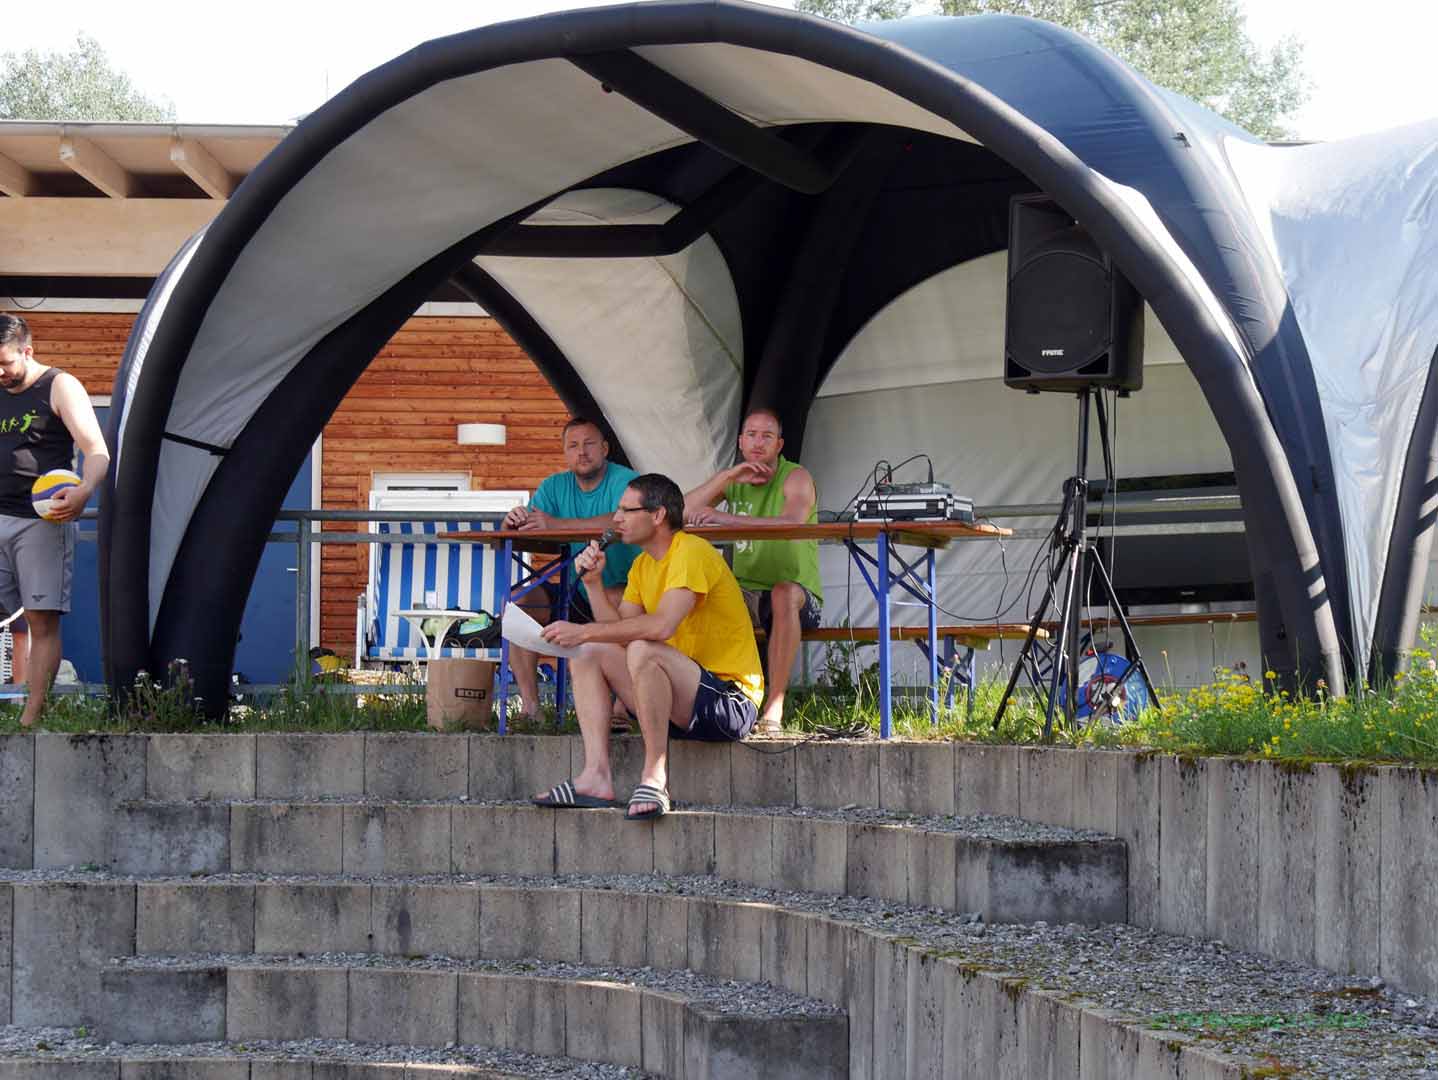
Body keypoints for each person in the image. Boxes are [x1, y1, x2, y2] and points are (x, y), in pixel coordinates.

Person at [532, 473, 762, 820]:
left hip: (730, 703)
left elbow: (661, 626)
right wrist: (593, 585)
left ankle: (655, 777)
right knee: (589, 652)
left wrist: (584, 630)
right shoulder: (642, 565)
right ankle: (595, 777)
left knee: (640, 648)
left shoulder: (691, 551)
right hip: (678, 701)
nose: (617, 519)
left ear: (657, 515)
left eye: (627, 510)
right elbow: (618, 634)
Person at [0, 315, 109, 727]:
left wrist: (85, 490)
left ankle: (30, 720)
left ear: (27, 351)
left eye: (5, 363)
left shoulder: (60, 386)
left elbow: (96, 450)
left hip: (42, 521)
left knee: (40, 619)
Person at [684, 407, 821, 734]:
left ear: (779, 445)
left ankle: (775, 705)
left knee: (783, 593)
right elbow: (680, 512)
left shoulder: (796, 476)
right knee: (691, 594)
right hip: (745, 594)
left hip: (798, 597)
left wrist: (724, 518)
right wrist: (726, 478)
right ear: (741, 442)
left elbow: (792, 522)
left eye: (767, 436)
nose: (758, 443)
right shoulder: (735, 479)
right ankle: (693, 702)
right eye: (752, 435)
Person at [503, 416, 640, 723]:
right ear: (565, 452)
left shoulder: (627, 482)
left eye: (589, 444)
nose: (582, 452)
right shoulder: (554, 486)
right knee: (517, 604)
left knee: (618, 599)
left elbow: (622, 521)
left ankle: (623, 708)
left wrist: (557, 524)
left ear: (605, 448)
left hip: (626, 589)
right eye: (573, 446)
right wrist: (512, 522)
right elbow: (531, 529)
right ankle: (531, 708)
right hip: (575, 590)